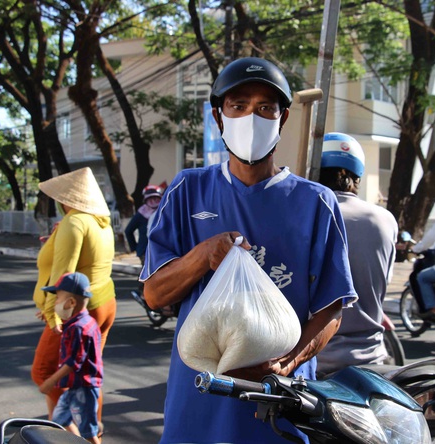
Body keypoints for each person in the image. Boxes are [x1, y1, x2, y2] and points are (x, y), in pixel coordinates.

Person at [140, 57, 357, 443]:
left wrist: (285, 364)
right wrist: (203, 255)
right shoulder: (186, 190)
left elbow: (331, 310)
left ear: (283, 118)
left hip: (280, 402)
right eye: (238, 106)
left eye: (265, 108)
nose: (251, 118)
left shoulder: (316, 203)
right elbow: (155, 295)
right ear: (218, 117)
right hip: (201, 394)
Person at [31, 167, 116, 432]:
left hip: (76, 310)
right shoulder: (99, 221)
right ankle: (92, 427)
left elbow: (63, 273)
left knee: (44, 374)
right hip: (105, 303)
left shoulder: (74, 222)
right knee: (87, 377)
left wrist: (52, 310)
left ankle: (67, 434)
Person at [315, 132, 399, 377]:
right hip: (373, 361)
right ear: (357, 175)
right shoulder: (385, 219)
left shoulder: (307, 214)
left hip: (315, 364)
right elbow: (378, 281)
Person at [39, 272, 103, 444]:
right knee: (59, 421)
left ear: (71, 302)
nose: (56, 303)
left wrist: (50, 381)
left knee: (88, 432)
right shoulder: (87, 322)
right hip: (75, 387)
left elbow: (73, 362)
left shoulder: (78, 328)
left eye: (58, 298)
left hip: (83, 388)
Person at [124, 185, 163, 266]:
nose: (154, 201)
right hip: (150, 251)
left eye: (156, 199)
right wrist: (135, 248)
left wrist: (136, 248)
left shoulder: (142, 213)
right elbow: (128, 231)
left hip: (152, 251)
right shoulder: (164, 212)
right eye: (151, 199)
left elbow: (128, 231)